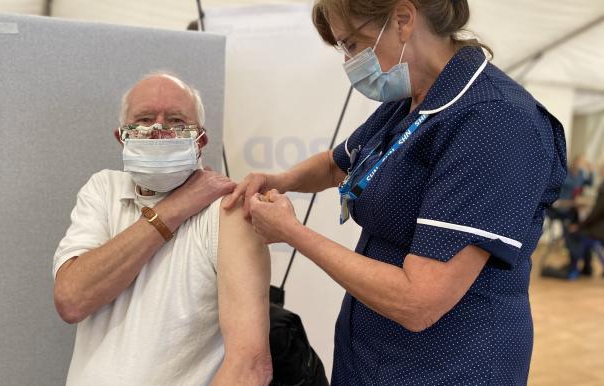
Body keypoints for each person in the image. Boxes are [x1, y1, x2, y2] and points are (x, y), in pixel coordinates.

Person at [224, 0, 566, 384]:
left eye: (354, 44)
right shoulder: (415, 101)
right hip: (370, 355)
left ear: (403, 19)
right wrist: (281, 180)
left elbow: (419, 301)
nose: (350, 61)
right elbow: (338, 164)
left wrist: (292, 233)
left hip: (446, 366)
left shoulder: (495, 121)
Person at [53, 73, 273, 386]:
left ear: (200, 141)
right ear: (122, 137)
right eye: (143, 119)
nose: (158, 130)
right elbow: (72, 298)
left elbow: (250, 367)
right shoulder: (103, 190)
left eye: (176, 121)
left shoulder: (228, 212)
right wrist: (175, 207)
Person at [567, 162, 604, 278]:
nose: (599, 169)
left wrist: (579, 226)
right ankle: (586, 267)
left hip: (600, 231)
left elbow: (595, 214)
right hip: (599, 228)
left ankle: (574, 268)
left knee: (573, 233)